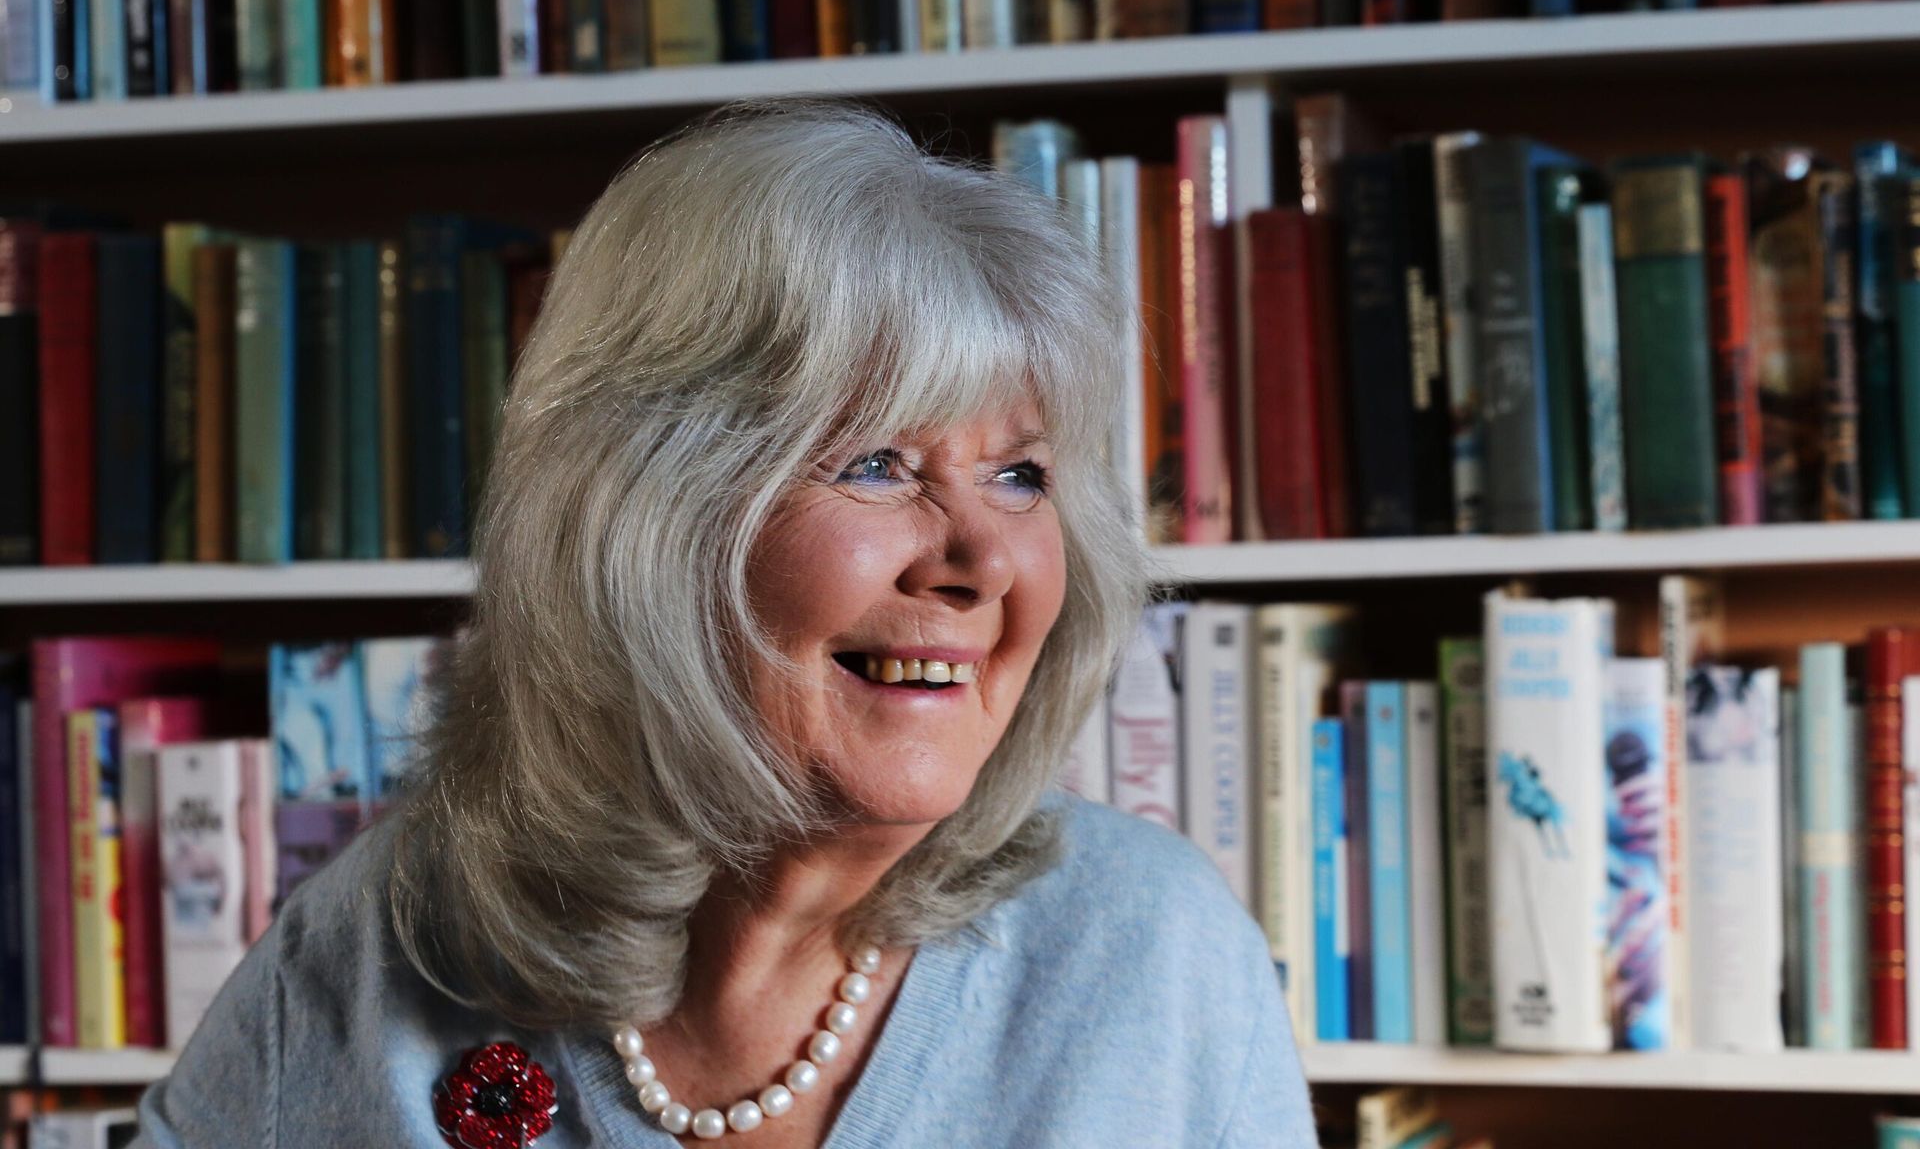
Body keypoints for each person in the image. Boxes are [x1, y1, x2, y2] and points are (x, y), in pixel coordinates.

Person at [133, 103, 1318, 1147]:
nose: (985, 559)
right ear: (650, 519)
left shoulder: (1153, 956)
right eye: (877, 462)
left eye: (1020, 476)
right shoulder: (378, 944)